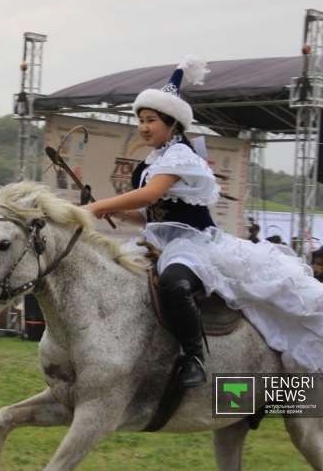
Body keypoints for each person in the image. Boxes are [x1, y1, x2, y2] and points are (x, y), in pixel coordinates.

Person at [81, 55, 323, 385]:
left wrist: (99, 207)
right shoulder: (152, 161)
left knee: (173, 284)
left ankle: (195, 358)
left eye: (151, 119)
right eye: (140, 120)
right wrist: (114, 210)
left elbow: (150, 196)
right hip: (158, 244)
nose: (143, 127)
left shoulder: (181, 155)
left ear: (172, 123)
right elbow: (150, 214)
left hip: (192, 246)